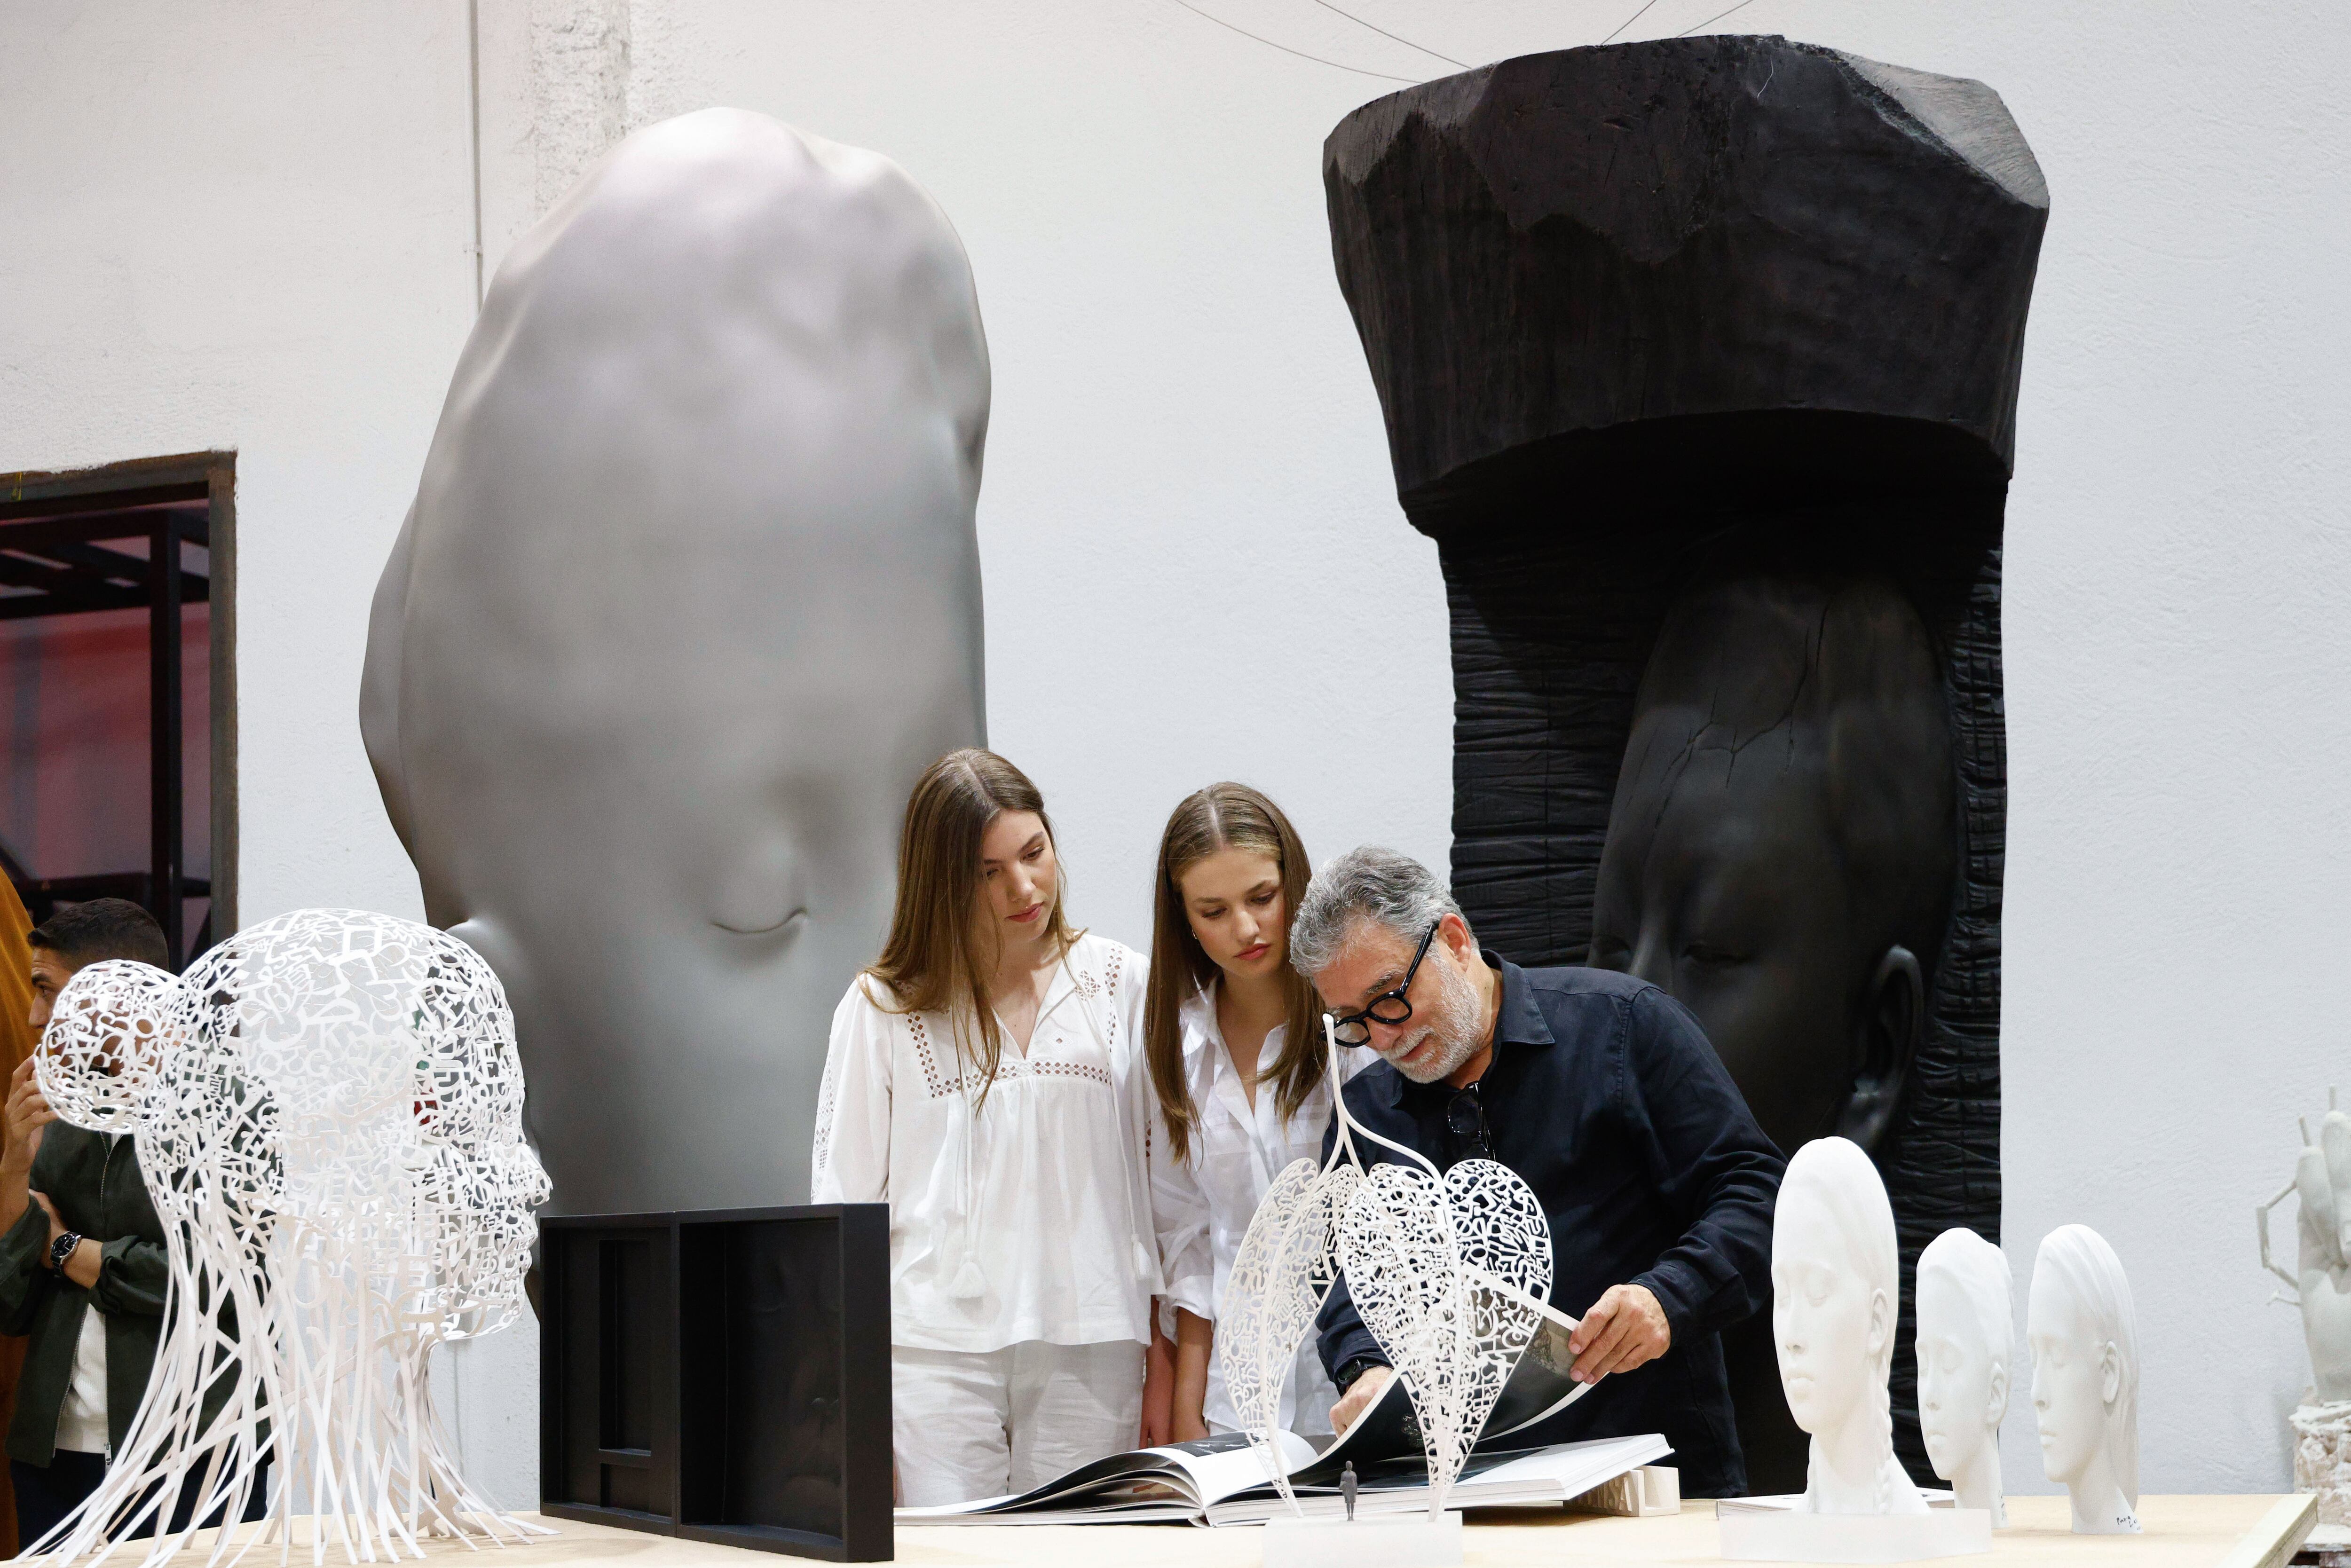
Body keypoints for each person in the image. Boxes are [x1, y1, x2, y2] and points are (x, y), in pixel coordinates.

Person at [1294, 848, 1784, 1498]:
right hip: (1461, 1497)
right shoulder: (1365, 1117)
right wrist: (1365, 1371)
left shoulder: (1625, 1027)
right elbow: (1342, 1278)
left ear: (1454, 939)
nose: (1383, 1039)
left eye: (1389, 998)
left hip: (1650, 1479)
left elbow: (1757, 1191)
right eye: (1354, 1022)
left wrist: (1668, 1297)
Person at [811, 750, 1179, 1506]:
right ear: (941, 881)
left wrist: (1166, 1357)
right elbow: (841, 1209)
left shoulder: (1122, 983)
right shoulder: (882, 1009)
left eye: (1034, 853)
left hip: (1096, 1341)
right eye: (988, 871)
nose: (1024, 887)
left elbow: (1169, 1190)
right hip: (928, 1355)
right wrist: (848, 1397)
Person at [1139, 783, 1365, 1443]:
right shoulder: (1178, 1050)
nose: (1245, 929)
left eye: (1262, 898)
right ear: (1183, 917)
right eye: (1213, 910)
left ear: (1294, 882)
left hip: (1355, 1382)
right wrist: (1190, 1406)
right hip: (1236, 1399)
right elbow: (1193, 1246)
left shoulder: (1356, 1028)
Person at [0, 900, 173, 1543]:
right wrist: (14, 1169)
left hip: (185, 1452)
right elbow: (9, 1304)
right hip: (51, 1455)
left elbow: (210, 1287)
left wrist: (62, 1245)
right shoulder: (55, 1115)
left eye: (47, 991)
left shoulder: (222, 1112)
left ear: (116, 994)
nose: (33, 1017)